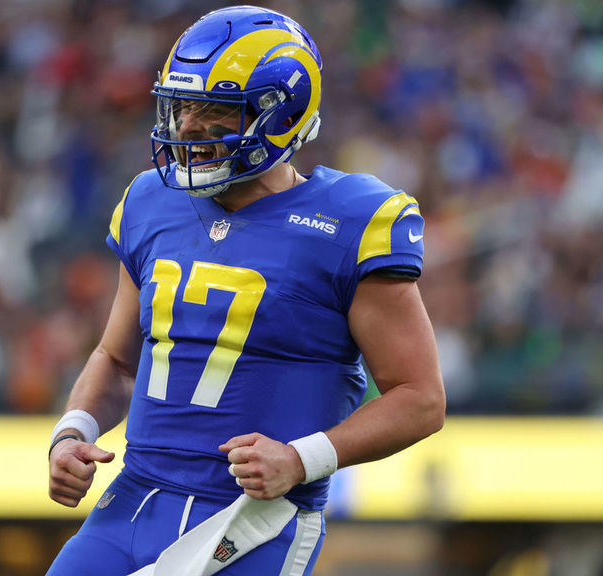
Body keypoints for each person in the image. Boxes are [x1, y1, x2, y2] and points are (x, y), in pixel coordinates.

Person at [46, 6, 445, 575]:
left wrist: (301, 459)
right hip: (132, 501)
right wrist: (72, 432)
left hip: (251, 520)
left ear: (277, 116)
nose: (186, 128)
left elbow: (421, 398)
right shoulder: (149, 201)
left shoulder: (349, 221)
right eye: (182, 107)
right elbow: (116, 358)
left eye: (215, 112)